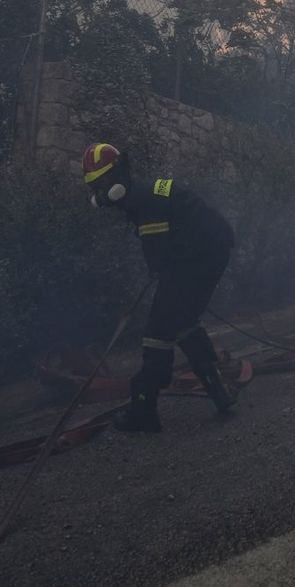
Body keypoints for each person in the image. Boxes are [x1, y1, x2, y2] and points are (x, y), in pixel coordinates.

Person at [83, 142, 237, 432]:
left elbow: (158, 258)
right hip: (211, 253)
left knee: (157, 332)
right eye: (95, 185)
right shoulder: (148, 192)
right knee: (183, 320)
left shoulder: (144, 201)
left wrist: (161, 268)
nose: (100, 192)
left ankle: (144, 409)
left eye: (103, 182)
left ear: (119, 175)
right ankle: (220, 390)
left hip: (196, 258)